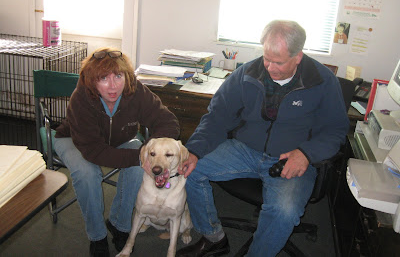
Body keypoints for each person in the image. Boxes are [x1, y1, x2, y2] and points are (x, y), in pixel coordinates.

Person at [176, 20, 349, 257]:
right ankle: (213, 237)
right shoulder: (247, 73)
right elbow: (217, 116)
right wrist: (194, 150)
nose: (269, 67)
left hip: (290, 159)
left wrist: (307, 154)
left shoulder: (322, 81)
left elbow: (336, 129)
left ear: (298, 56)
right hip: (245, 149)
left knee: (285, 211)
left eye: (278, 62)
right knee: (189, 168)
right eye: (267, 58)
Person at [53, 47, 180, 257]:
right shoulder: (81, 98)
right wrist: (141, 157)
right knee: (87, 173)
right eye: (104, 78)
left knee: (138, 167)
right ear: (92, 81)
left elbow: (168, 122)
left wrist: (150, 152)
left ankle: (119, 225)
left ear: (127, 76)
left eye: (118, 76)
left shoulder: (135, 90)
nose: (113, 86)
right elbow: (94, 151)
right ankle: (97, 236)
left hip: (118, 139)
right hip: (75, 140)